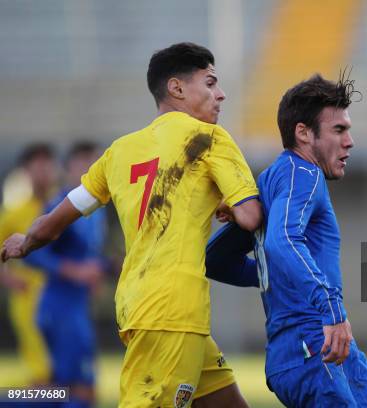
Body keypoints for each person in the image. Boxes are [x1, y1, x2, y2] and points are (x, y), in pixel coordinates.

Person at [2, 42, 261, 408]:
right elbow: (251, 216)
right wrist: (236, 208)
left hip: (139, 304)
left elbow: (55, 221)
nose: (221, 94)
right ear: (177, 87)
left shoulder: (119, 151)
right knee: (72, 394)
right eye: (210, 82)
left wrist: (23, 243)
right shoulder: (209, 138)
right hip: (172, 311)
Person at [206, 74, 367, 407]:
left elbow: (217, 260)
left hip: (320, 352)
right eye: (338, 130)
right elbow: (282, 239)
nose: (350, 141)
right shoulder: (304, 174)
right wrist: (332, 310)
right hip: (313, 349)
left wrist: (278, 275)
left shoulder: (272, 180)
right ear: (303, 133)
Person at [24, 142, 108, 408]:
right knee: (81, 392)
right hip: (60, 309)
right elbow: (33, 252)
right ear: (67, 168)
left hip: (76, 308)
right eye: (82, 164)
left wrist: (99, 269)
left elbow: (87, 255)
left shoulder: (96, 209)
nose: (87, 170)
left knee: (63, 390)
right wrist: (73, 271)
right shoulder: (59, 205)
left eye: (93, 165)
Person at [0, 143, 56, 386]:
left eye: (47, 164)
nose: (43, 171)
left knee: (68, 370)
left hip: (61, 295)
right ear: (25, 171)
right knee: (41, 371)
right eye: (37, 165)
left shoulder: (61, 207)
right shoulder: (14, 213)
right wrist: (10, 280)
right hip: (28, 298)